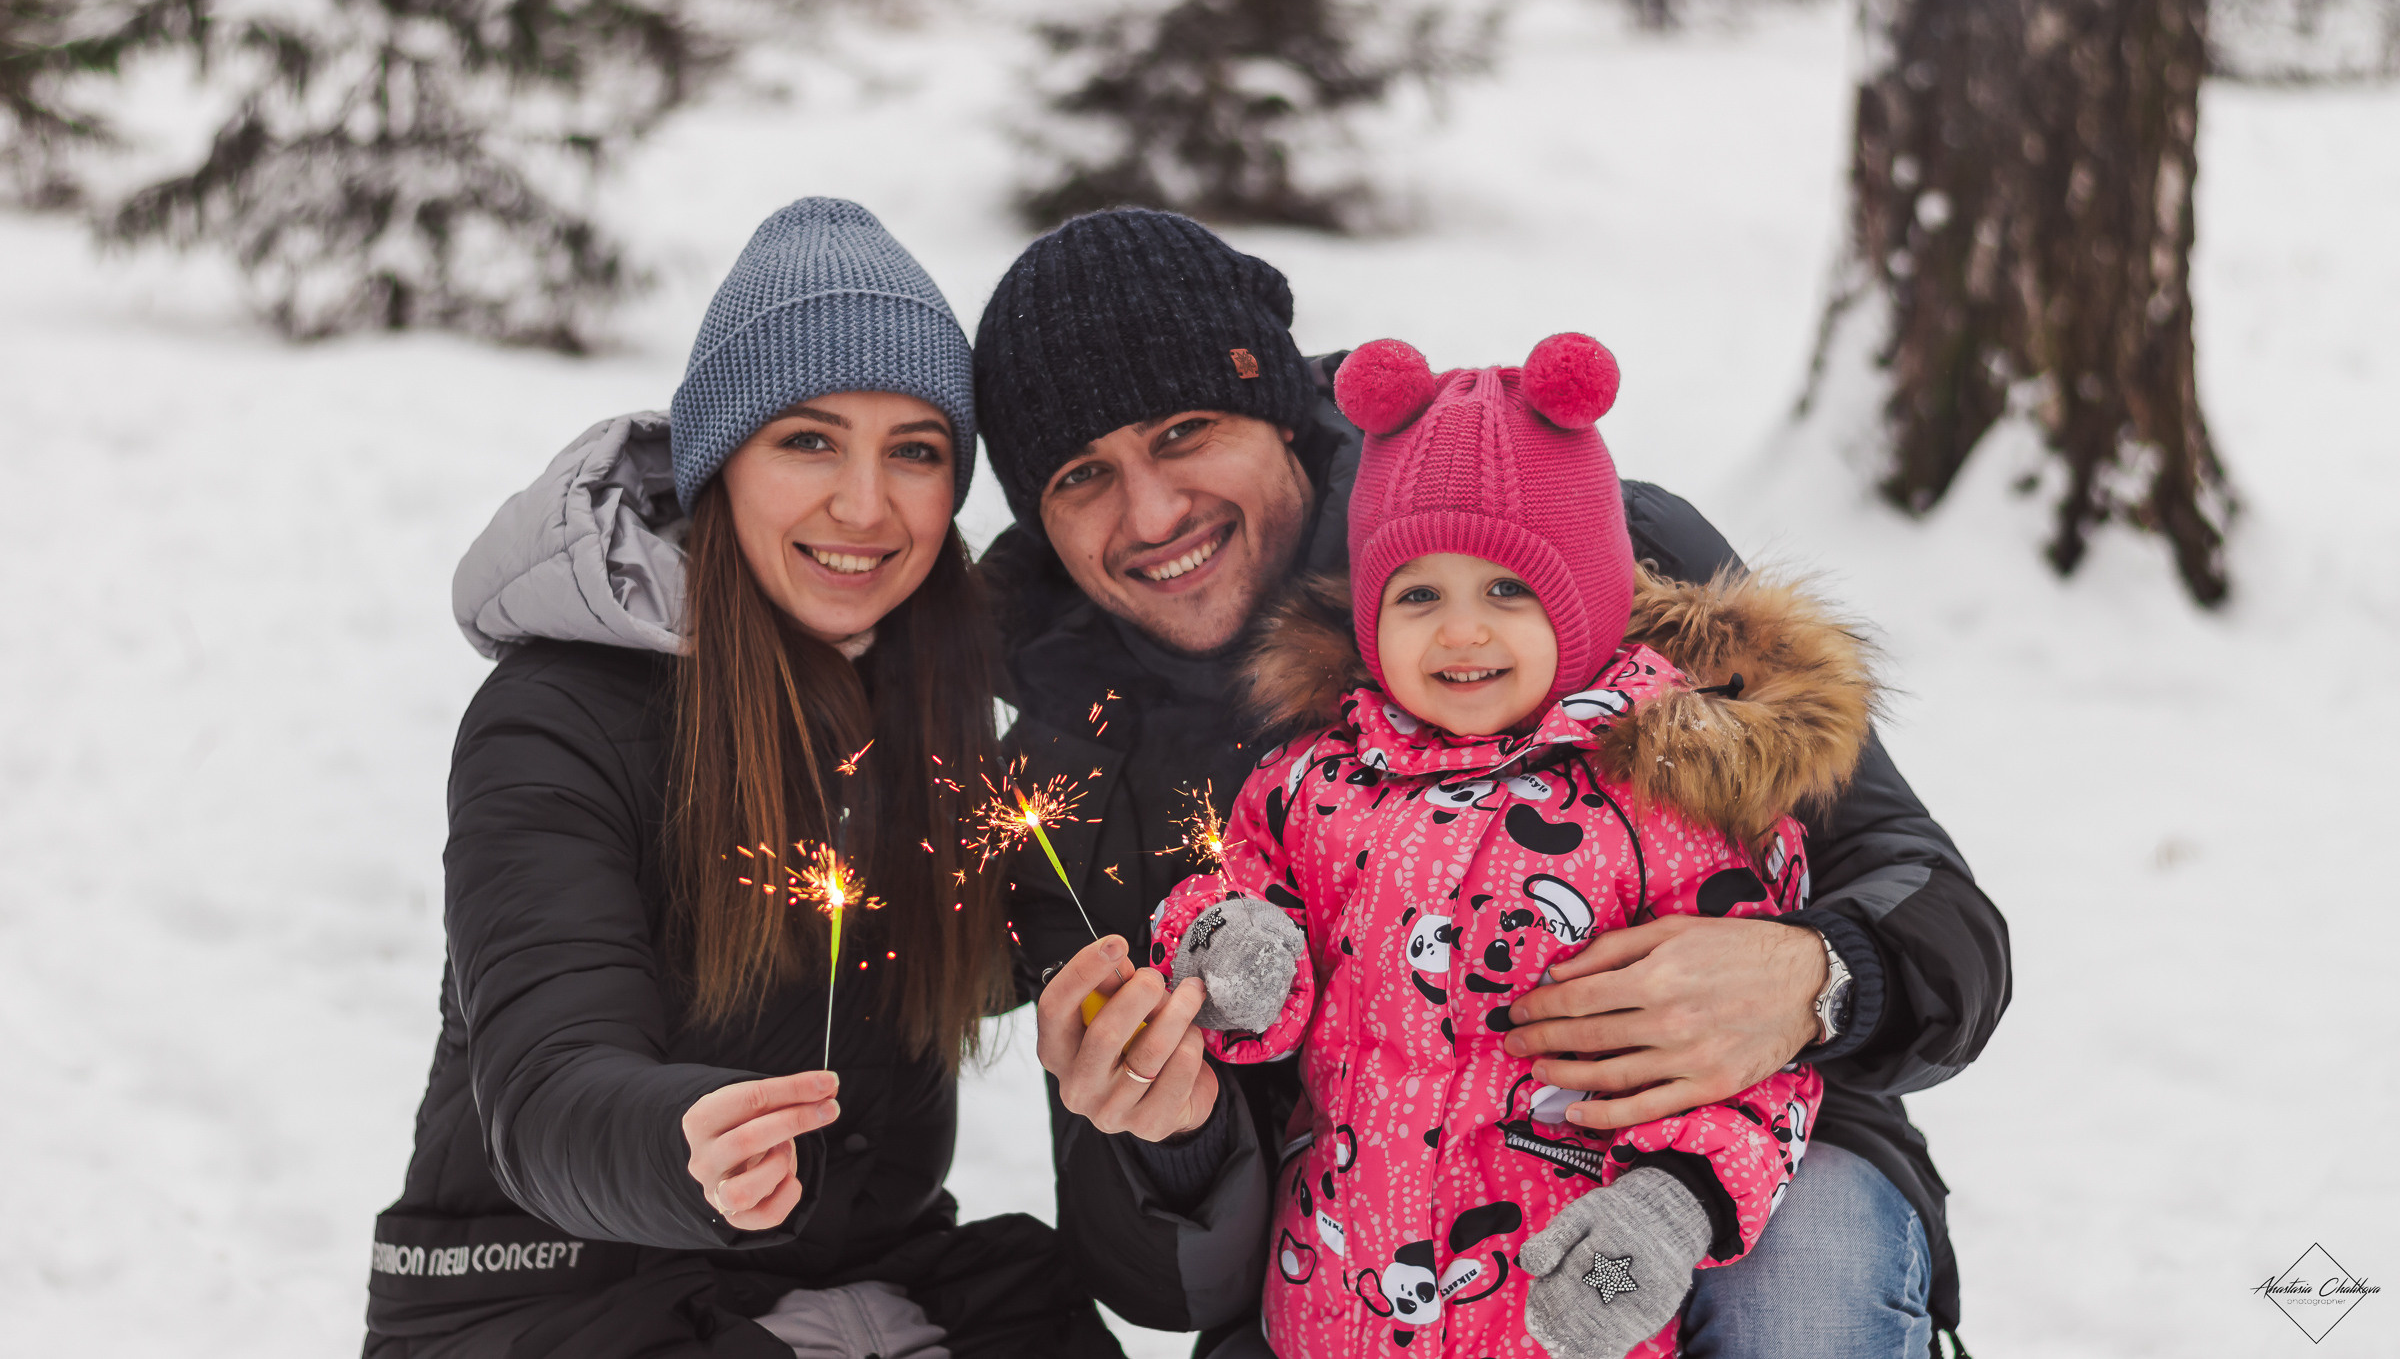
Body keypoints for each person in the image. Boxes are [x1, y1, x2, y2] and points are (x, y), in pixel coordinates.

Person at [971, 208, 2009, 1357]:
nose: (1153, 512)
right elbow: (1174, 1290)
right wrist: (1174, 1142)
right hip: (1359, 1250)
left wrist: (1814, 976)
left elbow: (1941, 915)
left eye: (1185, 431)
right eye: (1082, 475)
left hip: (1726, 1160)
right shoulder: (1070, 779)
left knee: (1798, 1311)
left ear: (1278, 410)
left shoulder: (1574, 539)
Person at [365, 199, 1121, 1359]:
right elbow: (549, 1080)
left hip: (863, 1272)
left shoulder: (929, 691)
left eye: (914, 451)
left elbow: (1032, 926)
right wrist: (680, 1142)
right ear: (720, 466)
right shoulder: (561, 717)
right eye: (809, 441)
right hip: (553, 1301)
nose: (864, 505)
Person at [1150, 334, 1874, 1359]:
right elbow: (1236, 903)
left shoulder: (1674, 798)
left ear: (1589, 599)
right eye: (1419, 595)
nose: (1459, 632)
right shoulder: (1315, 783)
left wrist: (1671, 1210)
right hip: (1335, 1308)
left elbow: (1753, 1056)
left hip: (1558, 1310)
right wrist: (1230, 956)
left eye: (1507, 591)